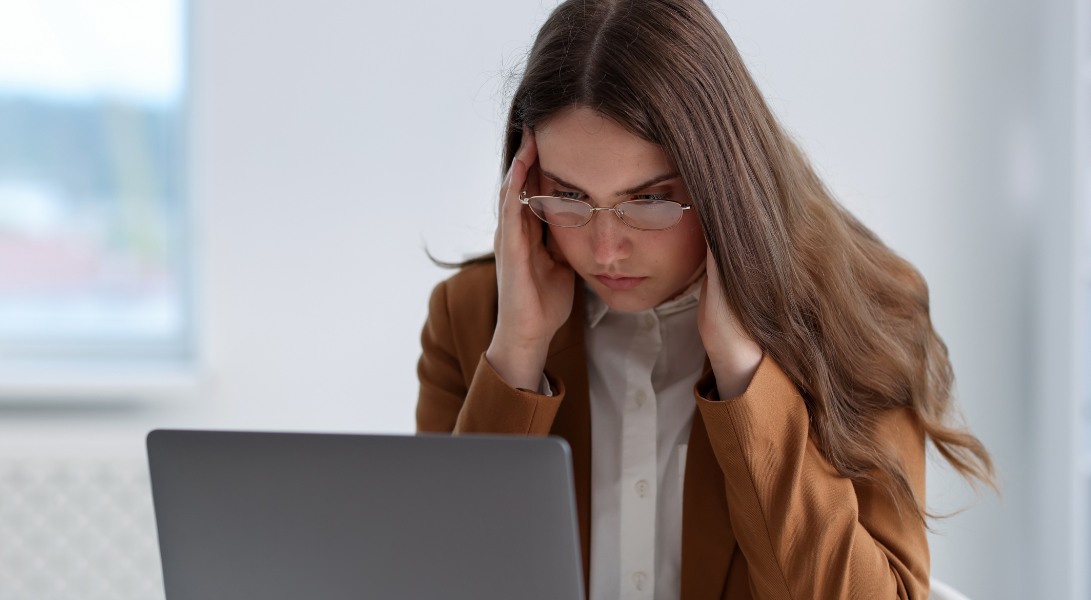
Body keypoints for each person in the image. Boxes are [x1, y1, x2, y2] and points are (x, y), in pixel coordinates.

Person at [415, 1, 995, 598]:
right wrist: (516, 357)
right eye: (568, 195)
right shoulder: (472, 320)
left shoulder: (866, 314)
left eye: (649, 200)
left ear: (724, 184)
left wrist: (745, 374)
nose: (606, 249)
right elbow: (434, 582)